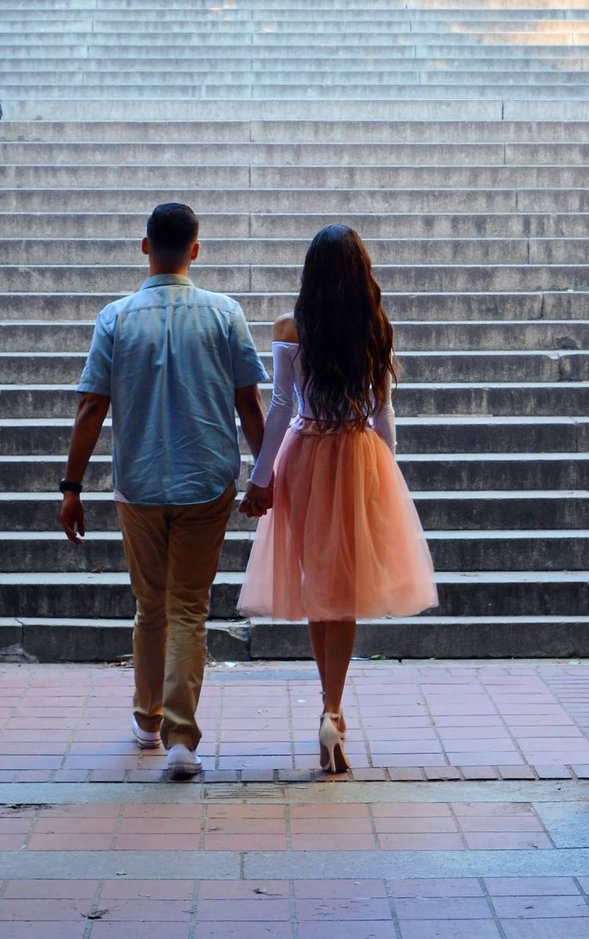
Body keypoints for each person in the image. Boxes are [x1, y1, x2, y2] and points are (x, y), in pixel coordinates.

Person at [60, 201, 267, 779]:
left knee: (151, 603)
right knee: (188, 607)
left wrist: (71, 486)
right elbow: (249, 402)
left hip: (140, 484)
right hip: (207, 481)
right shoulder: (225, 314)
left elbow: (91, 406)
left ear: (145, 246)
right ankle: (181, 740)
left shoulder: (116, 318)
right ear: (195, 250)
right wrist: (263, 473)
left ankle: (147, 718)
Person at [239, 224, 438, 773]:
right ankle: (333, 709)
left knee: (314, 581)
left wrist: (260, 479)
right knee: (344, 588)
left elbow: (279, 409)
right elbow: (383, 412)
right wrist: (387, 474)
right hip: (357, 454)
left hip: (305, 454)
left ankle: (327, 706)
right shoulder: (376, 327)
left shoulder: (291, 327)